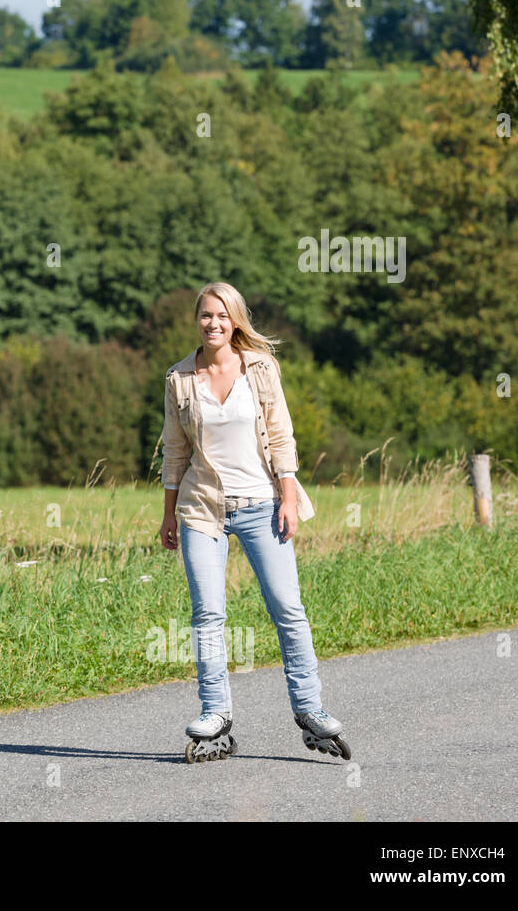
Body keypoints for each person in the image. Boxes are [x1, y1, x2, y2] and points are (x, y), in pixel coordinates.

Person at [157, 282, 350, 762]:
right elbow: (175, 451)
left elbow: (282, 436)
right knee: (207, 614)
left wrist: (288, 499)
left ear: (236, 320)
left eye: (223, 316)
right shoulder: (179, 378)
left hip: (263, 503)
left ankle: (310, 710)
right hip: (202, 508)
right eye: (206, 315)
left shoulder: (260, 370)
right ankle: (215, 714)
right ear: (196, 320)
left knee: (288, 609)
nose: (214, 323)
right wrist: (167, 514)